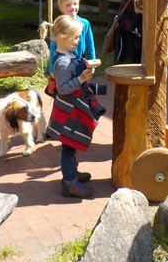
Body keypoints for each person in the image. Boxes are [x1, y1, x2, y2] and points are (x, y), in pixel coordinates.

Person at [40, 15, 105, 198]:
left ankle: (72, 175)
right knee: (68, 148)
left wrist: (83, 73)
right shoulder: (62, 62)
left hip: (72, 110)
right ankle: (70, 184)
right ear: (62, 37)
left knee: (71, 146)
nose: (78, 41)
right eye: (75, 37)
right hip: (68, 111)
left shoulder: (69, 56)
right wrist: (81, 78)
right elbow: (63, 88)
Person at [47, 0, 96, 75]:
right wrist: (52, 69)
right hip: (63, 63)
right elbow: (53, 47)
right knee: (65, 85)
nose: (73, 7)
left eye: (75, 4)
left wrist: (93, 63)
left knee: (80, 84)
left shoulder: (84, 23)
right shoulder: (59, 25)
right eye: (68, 5)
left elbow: (90, 45)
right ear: (60, 8)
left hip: (79, 62)